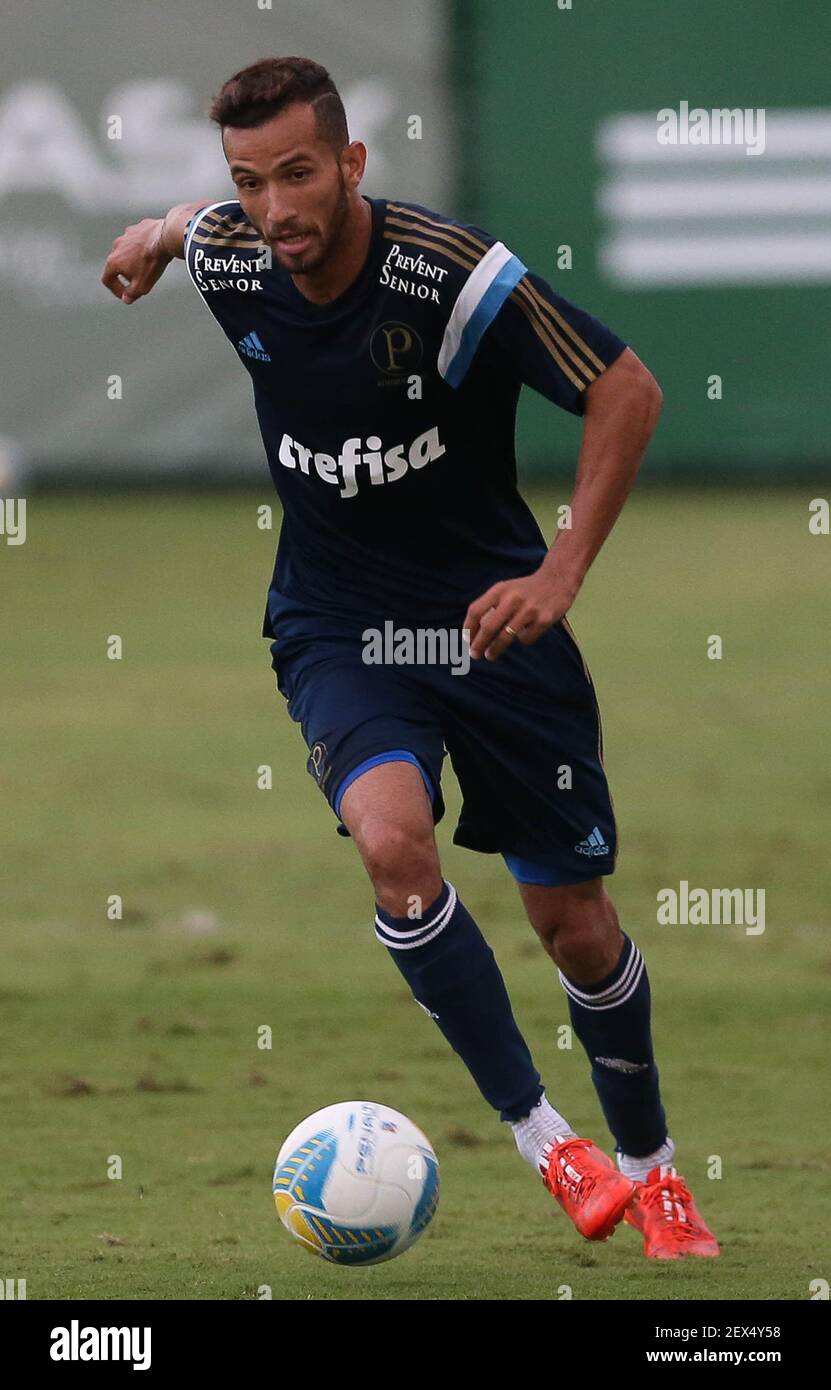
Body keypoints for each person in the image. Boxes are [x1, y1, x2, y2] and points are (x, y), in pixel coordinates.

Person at [102, 55, 718, 1259]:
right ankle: (551, 1143)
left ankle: (656, 1174)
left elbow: (628, 389)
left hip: (495, 622)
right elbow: (196, 228)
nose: (276, 207)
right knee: (393, 844)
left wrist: (561, 572)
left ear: (350, 163)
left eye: (297, 173)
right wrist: (156, 236)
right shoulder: (234, 249)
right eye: (249, 181)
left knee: (575, 925)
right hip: (338, 625)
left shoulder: (452, 274)